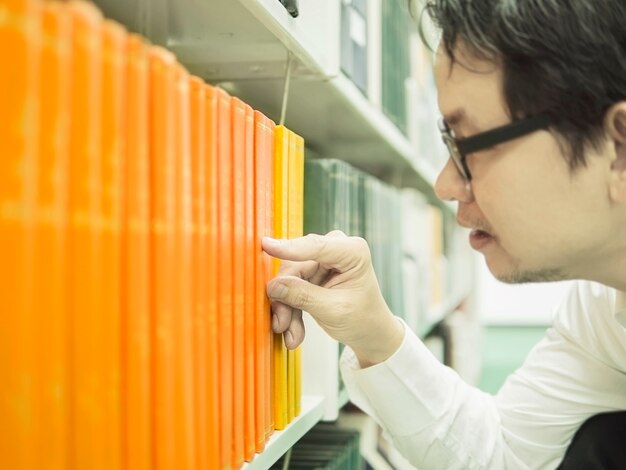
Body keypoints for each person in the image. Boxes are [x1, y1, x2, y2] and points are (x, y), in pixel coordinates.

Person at [263, 0, 626, 468]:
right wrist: (375, 334)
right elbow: (503, 454)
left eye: (467, 144)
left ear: (617, 147)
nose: (445, 185)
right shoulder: (603, 308)